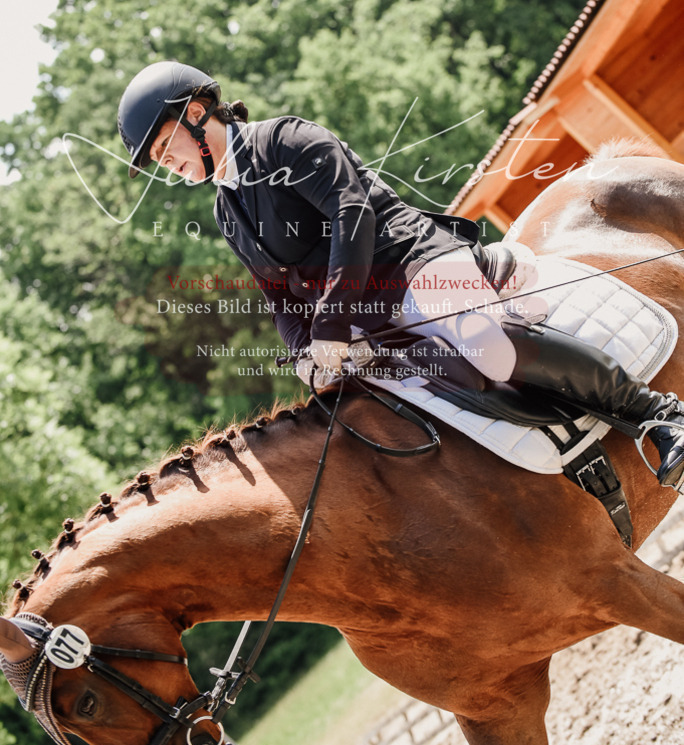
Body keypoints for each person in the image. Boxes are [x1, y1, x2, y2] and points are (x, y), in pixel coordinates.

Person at [118, 60, 684, 488]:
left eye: (165, 147)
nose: (165, 164)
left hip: (416, 260)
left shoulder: (288, 140)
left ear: (196, 113)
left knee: (484, 344)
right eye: (157, 160)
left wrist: (331, 331)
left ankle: (656, 413)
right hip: (369, 317)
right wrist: (307, 357)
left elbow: (353, 220)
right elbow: (277, 295)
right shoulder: (226, 210)